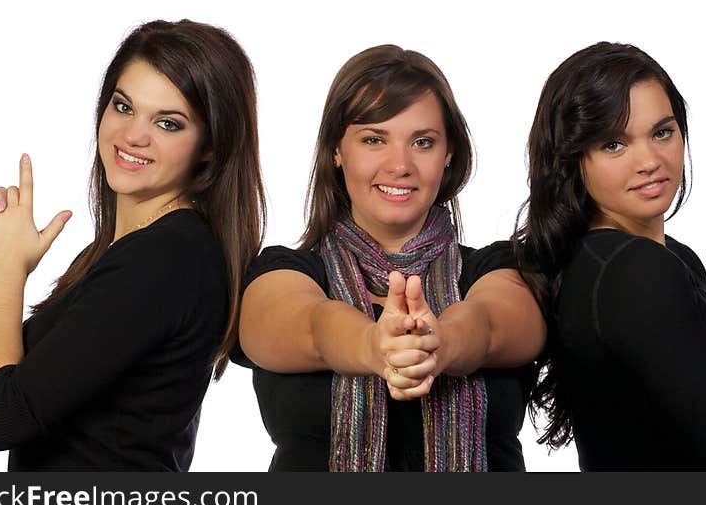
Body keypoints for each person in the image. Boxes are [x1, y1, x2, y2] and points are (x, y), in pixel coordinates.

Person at [0, 19, 266, 471]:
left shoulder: (166, 259)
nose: (133, 136)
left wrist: (6, 271)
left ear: (210, 146)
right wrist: (5, 271)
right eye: (123, 106)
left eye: (168, 123)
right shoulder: (120, 252)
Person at [233, 45, 545, 472]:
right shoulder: (282, 273)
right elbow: (311, 325)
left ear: (448, 154)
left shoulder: (498, 269)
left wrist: (439, 344)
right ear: (336, 151)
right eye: (374, 139)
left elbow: (492, 326)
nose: (400, 164)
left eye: (422, 142)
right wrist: (374, 346)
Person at [516, 41, 706, 470]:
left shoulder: (666, 258)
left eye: (662, 132)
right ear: (572, 158)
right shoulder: (633, 270)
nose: (650, 161)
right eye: (614, 144)